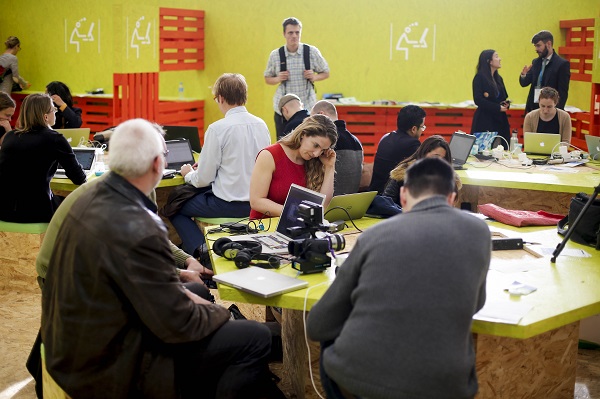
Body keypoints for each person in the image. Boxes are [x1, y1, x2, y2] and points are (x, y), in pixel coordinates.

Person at [41, 118, 284, 399]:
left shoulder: (91, 196)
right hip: (110, 366)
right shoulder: (140, 225)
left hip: (78, 339)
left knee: (195, 289)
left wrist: (183, 286)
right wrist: (223, 315)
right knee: (255, 338)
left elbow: (123, 270)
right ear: (158, 164)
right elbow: (177, 324)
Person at [307, 157, 491, 399]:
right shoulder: (479, 232)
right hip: (446, 387)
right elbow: (477, 303)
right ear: (452, 198)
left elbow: (318, 325)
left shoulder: (374, 236)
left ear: (403, 196)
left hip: (361, 382)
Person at [169, 73, 271, 256]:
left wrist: (187, 174)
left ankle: (203, 252)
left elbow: (203, 180)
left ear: (221, 98)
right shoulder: (261, 125)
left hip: (226, 203)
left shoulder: (217, 129)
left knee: (173, 206)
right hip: (257, 204)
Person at [0, 94, 85, 223]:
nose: (55, 113)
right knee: (80, 208)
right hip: (37, 211)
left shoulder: (9, 137)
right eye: (53, 110)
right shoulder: (55, 139)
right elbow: (79, 178)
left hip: (4, 210)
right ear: (45, 116)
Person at [249, 114, 337, 219]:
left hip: (297, 228)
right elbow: (256, 201)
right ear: (303, 134)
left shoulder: (316, 161)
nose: (316, 154)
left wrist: (329, 167)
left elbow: (323, 205)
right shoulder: (269, 155)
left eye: (323, 150)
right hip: (264, 227)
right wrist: (296, 212)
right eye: (315, 145)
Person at [265, 17, 330, 137]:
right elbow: (267, 78)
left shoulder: (311, 52)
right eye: (290, 32)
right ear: (284, 34)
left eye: (297, 32)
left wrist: (314, 77)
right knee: (283, 142)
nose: (294, 36)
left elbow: (326, 72)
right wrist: (278, 78)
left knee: (308, 142)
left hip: (307, 107)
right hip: (284, 110)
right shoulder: (276, 55)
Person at [382, 135, 461, 205]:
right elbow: (386, 203)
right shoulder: (402, 173)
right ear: (424, 154)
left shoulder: (448, 179)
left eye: (443, 159)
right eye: (435, 156)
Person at [369, 105, 426, 194]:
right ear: (414, 129)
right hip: (389, 200)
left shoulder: (386, 137)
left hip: (374, 195)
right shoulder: (412, 144)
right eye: (422, 127)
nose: (422, 131)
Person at [311, 100, 364, 195]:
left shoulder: (328, 140)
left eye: (312, 120)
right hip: (350, 203)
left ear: (321, 114)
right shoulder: (356, 141)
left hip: (330, 203)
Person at [519, 30, 570, 113]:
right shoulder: (536, 62)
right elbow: (524, 83)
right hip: (533, 107)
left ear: (548, 44)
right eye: (535, 46)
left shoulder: (561, 64)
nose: (536, 49)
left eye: (539, 46)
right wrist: (523, 75)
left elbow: (563, 92)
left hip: (550, 109)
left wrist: (556, 112)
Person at [471, 49, 511, 144]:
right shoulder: (479, 78)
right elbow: (478, 100)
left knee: (501, 149)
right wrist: (497, 107)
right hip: (485, 120)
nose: (500, 59)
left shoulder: (498, 78)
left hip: (500, 120)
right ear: (489, 61)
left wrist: (506, 104)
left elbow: (503, 96)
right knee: (484, 152)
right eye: (496, 56)